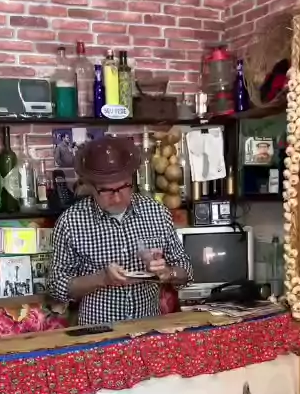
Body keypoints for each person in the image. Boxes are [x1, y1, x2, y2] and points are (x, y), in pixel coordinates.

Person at [48, 135, 193, 325]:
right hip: (98, 333)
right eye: (106, 191)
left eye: (124, 187)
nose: (117, 198)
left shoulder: (157, 212)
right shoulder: (71, 222)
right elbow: (56, 287)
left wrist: (168, 273)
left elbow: (186, 270)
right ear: (90, 186)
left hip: (149, 328)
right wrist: (101, 279)